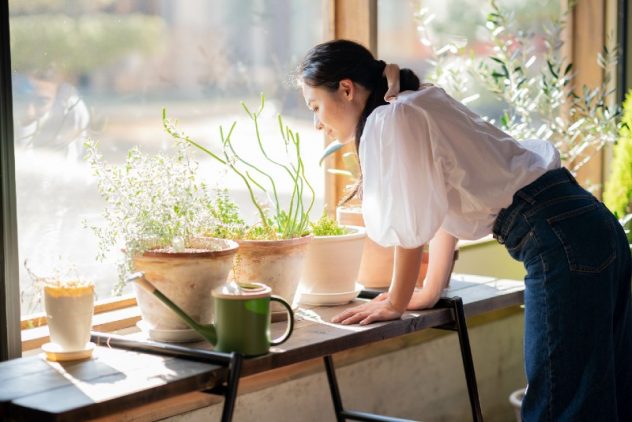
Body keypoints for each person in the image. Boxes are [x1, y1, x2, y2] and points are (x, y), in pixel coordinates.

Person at [297, 39, 632, 421]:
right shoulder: (413, 101)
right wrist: (430, 289)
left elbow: (411, 226)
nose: (317, 122)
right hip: (588, 225)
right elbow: (437, 206)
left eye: (315, 106)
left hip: (560, 238)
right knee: (605, 395)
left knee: (561, 406)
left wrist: (395, 299)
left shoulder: (393, 117)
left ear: (346, 88)